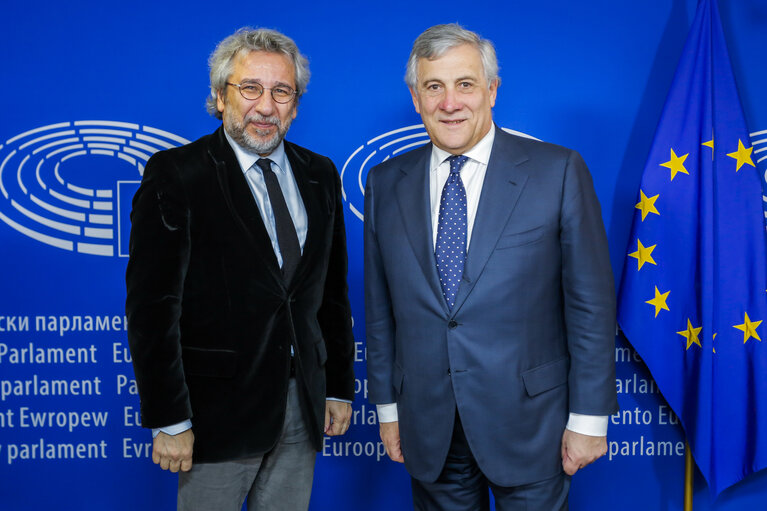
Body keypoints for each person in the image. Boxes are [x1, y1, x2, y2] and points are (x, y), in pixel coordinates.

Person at [364, 24, 617, 510]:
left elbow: (590, 306)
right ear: (415, 98)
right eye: (433, 87)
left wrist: (588, 420)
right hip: (429, 426)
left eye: (465, 84)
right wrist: (388, 409)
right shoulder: (385, 182)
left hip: (532, 426)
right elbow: (380, 310)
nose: (450, 102)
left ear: (492, 90)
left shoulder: (558, 171)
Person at [126, 27, 355, 511]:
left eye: (281, 91)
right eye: (250, 88)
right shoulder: (177, 173)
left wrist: (337, 384)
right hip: (215, 415)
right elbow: (152, 308)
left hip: (302, 407)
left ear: (295, 103)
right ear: (219, 95)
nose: (266, 106)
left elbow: (331, 294)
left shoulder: (320, 173)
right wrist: (170, 419)